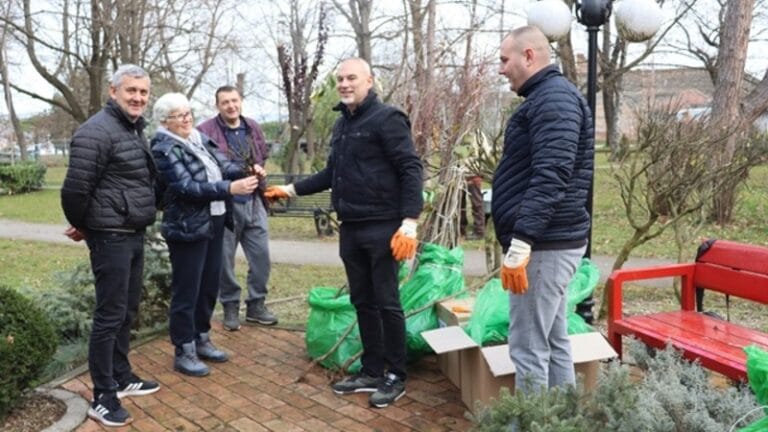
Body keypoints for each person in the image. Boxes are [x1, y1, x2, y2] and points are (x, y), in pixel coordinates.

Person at [265, 58, 423, 409]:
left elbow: (411, 168)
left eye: (352, 77)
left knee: (387, 302)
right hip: (350, 228)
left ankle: (395, 375)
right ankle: (371, 369)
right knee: (362, 301)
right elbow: (331, 174)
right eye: (340, 79)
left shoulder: (387, 118)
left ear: (370, 80)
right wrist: (289, 190)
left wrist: (409, 221)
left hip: (383, 227)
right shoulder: (342, 124)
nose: (344, 84)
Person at [492, 26, 594, 395]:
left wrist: (522, 241)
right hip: (548, 241)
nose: (501, 69)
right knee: (552, 339)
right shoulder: (546, 98)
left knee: (528, 346)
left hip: (544, 245)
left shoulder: (553, 100)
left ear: (529, 56)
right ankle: (563, 418)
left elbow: (551, 176)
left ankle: (533, 420)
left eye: (505, 60)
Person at [61, 64, 160, 427]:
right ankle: (102, 395)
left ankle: (121, 375)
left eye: (143, 92)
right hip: (110, 235)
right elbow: (74, 191)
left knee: (126, 311)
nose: (138, 98)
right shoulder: (96, 132)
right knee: (108, 316)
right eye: (131, 90)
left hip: (132, 233)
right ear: (112, 91)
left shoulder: (132, 129)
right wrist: (87, 227)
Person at [150, 92, 261, 377]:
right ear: (165, 121)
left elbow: (224, 166)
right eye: (179, 115)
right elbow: (185, 187)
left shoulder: (198, 139)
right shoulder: (164, 147)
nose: (187, 119)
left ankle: (201, 337)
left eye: (189, 113)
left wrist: (247, 170)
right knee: (188, 289)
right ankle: (183, 349)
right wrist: (228, 189)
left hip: (214, 220)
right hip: (187, 226)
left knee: (209, 285)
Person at [197, 86, 277, 330]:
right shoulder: (205, 131)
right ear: (217, 105)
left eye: (234, 101)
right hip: (226, 204)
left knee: (261, 257)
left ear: (241, 101)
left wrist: (259, 172)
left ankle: (256, 304)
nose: (231, 106)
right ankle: (230, 305)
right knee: (224, 260)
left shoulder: (252, 126)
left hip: (254, 202)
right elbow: (206, 166)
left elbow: (260, 156)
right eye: (225, 102)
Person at [460, 174, 485, 240]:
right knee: (460, 205)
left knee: (477, 205)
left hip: (473, 176)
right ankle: (461, 230)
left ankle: (479, 232)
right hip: (459, 176)